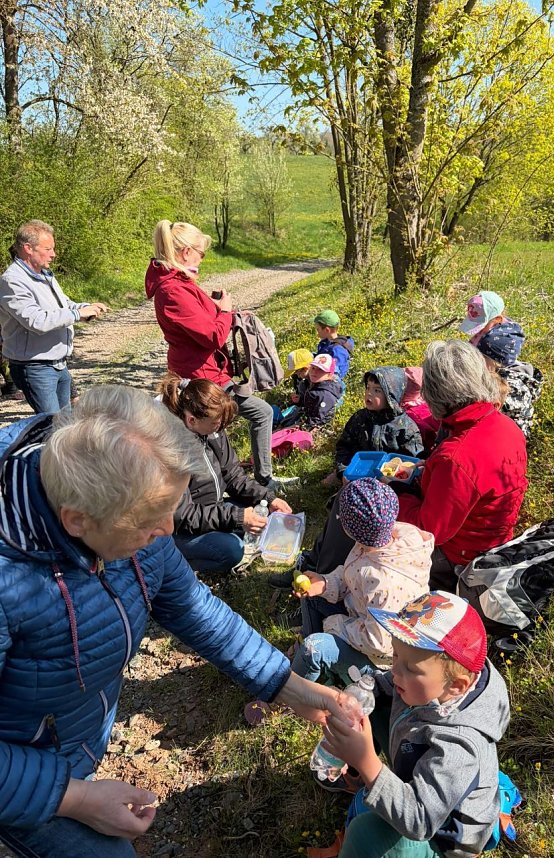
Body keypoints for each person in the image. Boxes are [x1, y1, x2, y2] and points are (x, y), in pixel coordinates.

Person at [0, 385, 350, 858]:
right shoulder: (9, 582)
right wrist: (75, 798)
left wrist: (288, 686)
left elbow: (194, 609)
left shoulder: (124, 506)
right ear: (77, 520)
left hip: (67, 736)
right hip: (21, 760)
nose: (167, 532)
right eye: (151, 520)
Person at [322, 591, 510, 858]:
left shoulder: (460, 746)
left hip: (442, 836)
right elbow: (384, 683)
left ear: (456, 686)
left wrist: (367, 762)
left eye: (411, 667)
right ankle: (361, 774)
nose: (395, 670)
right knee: (371, 705)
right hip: (417, 778)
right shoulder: (426, 685)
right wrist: (355, 700)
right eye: (396, 655)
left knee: (366, 834)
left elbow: (421, 820)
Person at [145, 220, 277, 489]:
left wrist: (218, 308)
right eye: (201, 253)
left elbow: (199, 320)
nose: (202, 259)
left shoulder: (178, 282)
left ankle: (227, 483)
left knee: (214, 432)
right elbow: (211, 336)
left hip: (206, 369)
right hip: (201, 373)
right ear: (185, 253)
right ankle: (259, 481)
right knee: (259, 414)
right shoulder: (173, 291)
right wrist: (226, 312)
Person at [271, 366, 424, 586]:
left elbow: (413, 464)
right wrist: (343, 471)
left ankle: (327, 576)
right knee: (338, 517)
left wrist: (395, 479)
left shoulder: (405, 429)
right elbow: (344, 448)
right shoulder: (360, 419)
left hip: (389, 496)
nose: (370, 394)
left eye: (378, 390)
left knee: (350, 525)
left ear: (392, 395)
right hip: (357, 483)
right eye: (368, 388)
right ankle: (315, 564)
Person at [396, 340, 529, 591]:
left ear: (435, 395)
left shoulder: (455, 457)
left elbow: (430, 530)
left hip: (459, 558)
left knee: (368, 528)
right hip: (493, 539)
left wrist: (394, 496)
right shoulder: (505, 425)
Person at [291, 479, 434, 687]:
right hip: (361, 618)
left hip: (380, 661)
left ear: (349, 529)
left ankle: (289, 696)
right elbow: (353, 574)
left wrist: (335, 625)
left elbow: (379, 643)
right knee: (311, 596)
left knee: (315, 648)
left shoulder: (383, 583)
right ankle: (315, 662)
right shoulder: (386, 538)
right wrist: (325, 583)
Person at [159, 373, 292, 576]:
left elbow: (234, 477)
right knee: (232, 551)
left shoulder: (211, 431)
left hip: (213, 508)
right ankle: (176, 564)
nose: (220, 428)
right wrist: (237, 517)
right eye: (215, 424)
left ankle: (227, 538)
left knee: (263, 521)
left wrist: (267, 498)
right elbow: (182, 516)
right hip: (179, 530)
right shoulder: (169, 451)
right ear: (191, 420)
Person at [0, 220, 108, 413]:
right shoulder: (12, 281)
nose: (54, 254)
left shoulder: (44, 274)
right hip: (35, 367)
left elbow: (63, 304)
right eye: (48, 249)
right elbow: (36, 321)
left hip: (58, 364)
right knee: (52, 427)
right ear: (28, 249)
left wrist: (86, 307)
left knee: (66, 426)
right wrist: (77, 314)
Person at [476, 321, 543, 439]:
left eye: (483, 358)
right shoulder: (497, 373)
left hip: (507, 439)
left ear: (498, 362)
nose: (478, 361)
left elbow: (486, 412)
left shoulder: (515, 388)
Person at [301, 353, 344, 428]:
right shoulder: (316, 385)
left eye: (320, 370)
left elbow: (318, 419)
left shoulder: (325, 394)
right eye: (313, 368)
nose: (314, 372)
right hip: (307, 419)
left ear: (329, 374)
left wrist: (302, 426)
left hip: (317, 427)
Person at [313, 309, 354, 379]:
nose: (317, 332)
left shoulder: (338, 350)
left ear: (327, 330)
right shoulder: (326, 342)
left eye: (318, 329)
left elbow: (336, 373)